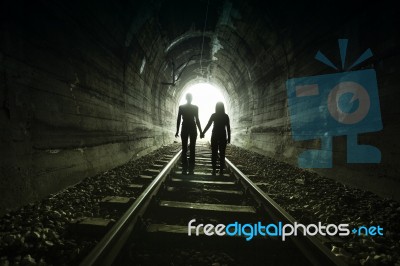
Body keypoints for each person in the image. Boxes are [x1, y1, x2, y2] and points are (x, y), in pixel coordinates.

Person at [201, 102, 231, 176]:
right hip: (223, 135)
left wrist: (203, 132)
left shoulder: (214, 115)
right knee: (222, 154)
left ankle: (214, 170)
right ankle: (221, 171)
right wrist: (229, 138)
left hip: (215, 135)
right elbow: (228, 128)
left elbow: (208, 125)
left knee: (214, 153)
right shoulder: (225, 116)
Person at [175, 93, 202, 175]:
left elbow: (179, 120)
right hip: (193, 128)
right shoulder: (195, 107)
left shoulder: (181, 107)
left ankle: (184, 168)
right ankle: (191, 169)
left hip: (185, 127)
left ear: (186, 98)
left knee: (184, 148)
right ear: (191, 98)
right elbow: (197, 119)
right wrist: (201, 131)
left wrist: (177, 131)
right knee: (192, 149)